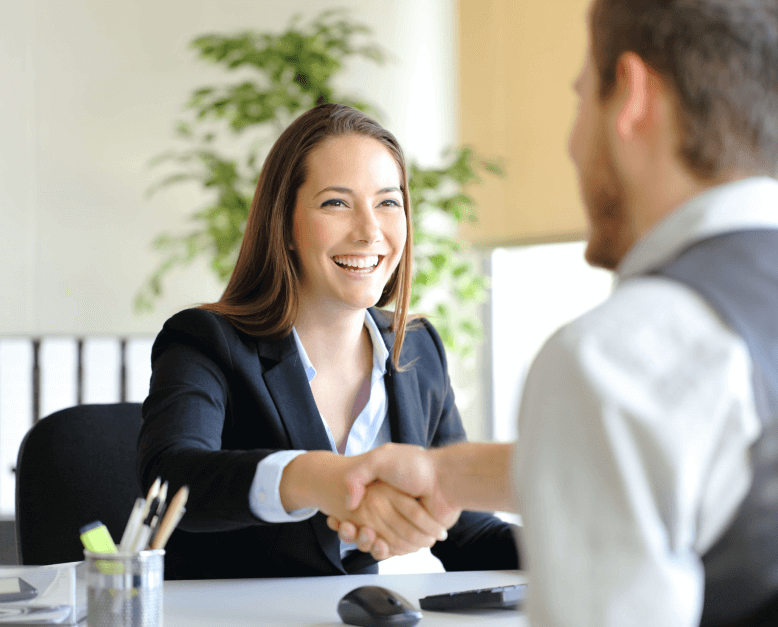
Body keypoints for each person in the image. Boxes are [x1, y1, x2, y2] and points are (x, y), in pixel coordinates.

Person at [332, 0, 778, 625]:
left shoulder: (612, 359)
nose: (574, 144)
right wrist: (450, 475)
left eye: (583, 98)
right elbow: (714, 469)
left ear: (631, 99)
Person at [137, 103, 520, 580]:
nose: (370, 231)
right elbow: (171, 479)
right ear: (286, 226)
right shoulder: (207, 342)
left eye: (388, 202)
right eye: (336, 203)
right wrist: (320, 479)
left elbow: (469, 533)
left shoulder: (417, 350)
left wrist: (587, 544)